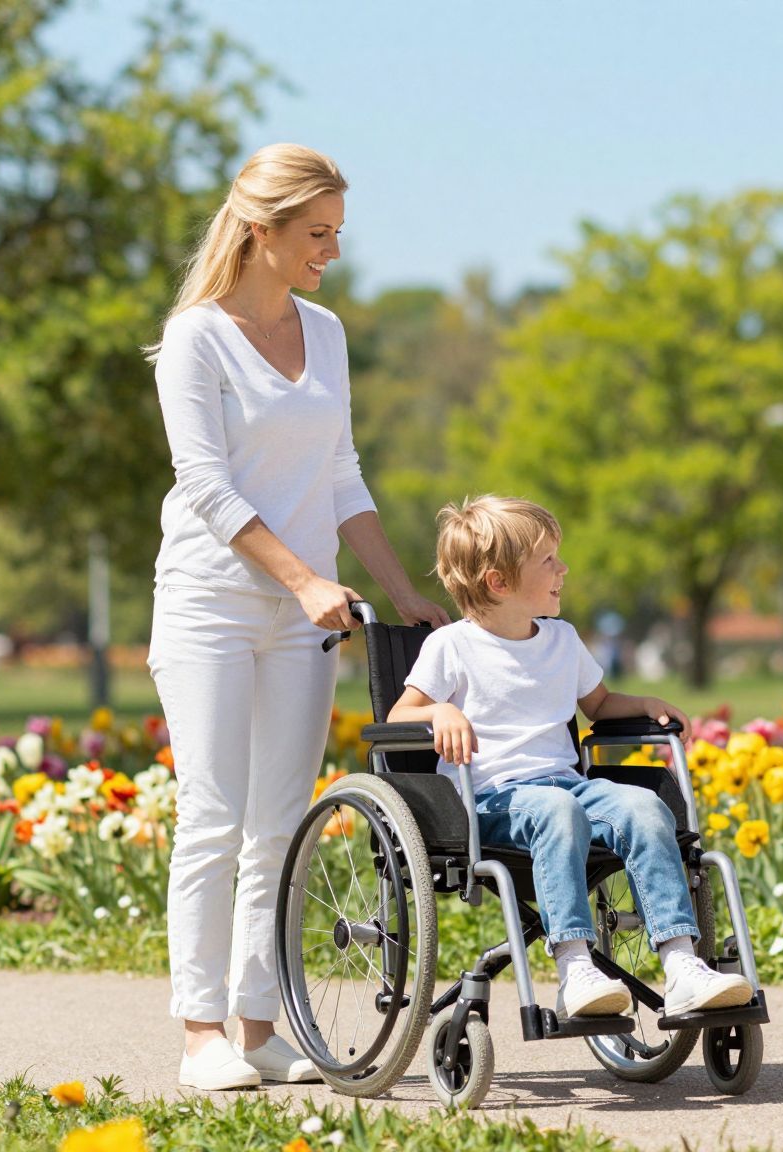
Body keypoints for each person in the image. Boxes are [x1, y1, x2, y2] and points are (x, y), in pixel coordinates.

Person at [146, 143, 451, 1092]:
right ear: (260, 231)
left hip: (304, 616)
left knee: (280, 819)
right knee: (213, 814)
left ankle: (256, 1025)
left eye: (337, 235)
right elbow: (206, 485)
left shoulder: (325, 331)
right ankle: (199, 1034)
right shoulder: (199, 337)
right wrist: (300, 579)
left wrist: (398, 589)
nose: (330, 251)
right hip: (211, 604)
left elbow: (341, 473)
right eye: (315, 234)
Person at [387, 495, 753, 1020]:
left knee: (646, 809)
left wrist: (645, 705)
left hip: (569, 787)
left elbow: (599, 705)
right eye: (549, 561)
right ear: (499, 582)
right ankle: (576, 968)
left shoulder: (562, 639)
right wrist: (438, 711)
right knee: (557, 813)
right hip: (491, 799)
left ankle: (681, 966)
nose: (564, 569)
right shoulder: (452, 646)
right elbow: (401, 715)